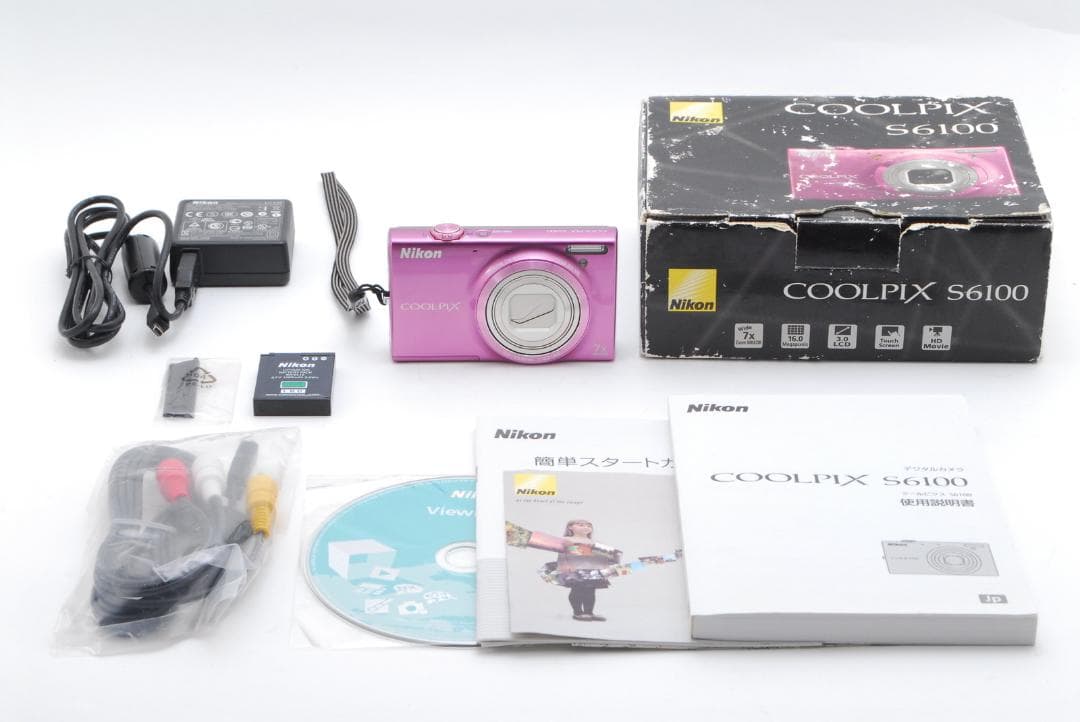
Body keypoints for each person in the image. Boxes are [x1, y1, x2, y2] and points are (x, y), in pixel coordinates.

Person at [556, 519, 620, 622]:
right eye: (581, 525)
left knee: (590, 591)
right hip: (575, 569)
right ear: (570, 527)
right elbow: (562, 554)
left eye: (589, 526)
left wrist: (608, 564)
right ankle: (577, 612)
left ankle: (589, 613)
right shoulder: (566, 540)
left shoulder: (595, 543)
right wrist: (564, 565)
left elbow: (602, 557)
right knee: (577, 590)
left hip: (593, 570)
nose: (586, 527)